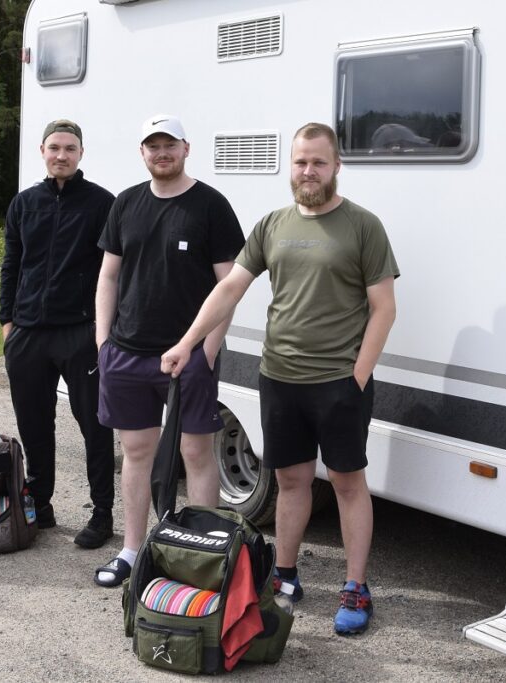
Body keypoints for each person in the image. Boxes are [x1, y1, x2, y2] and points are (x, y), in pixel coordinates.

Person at [161, 123, 399, 634]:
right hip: (281, 379)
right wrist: (187, 342)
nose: (308, 172)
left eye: (317, 162)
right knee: (291, 481)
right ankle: (286, 576)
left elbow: (384, 309)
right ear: (289, 167)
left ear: (336, 166)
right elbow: (229, 291)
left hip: (340, 383)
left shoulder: (363, 226)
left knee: (346, 483)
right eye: (299, 162)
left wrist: (357, 377)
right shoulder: (272, 225)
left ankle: (356, 587)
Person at [93, 114, 245, 587]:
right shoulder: (126, 204)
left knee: (196, 454)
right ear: (142, 152)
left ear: (186, 148)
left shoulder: (210, 205)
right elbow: (109, 277)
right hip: (127, 352)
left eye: (170, 145)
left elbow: (230, 285)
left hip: (189, 355)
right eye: (152, 146)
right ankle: (132, 550)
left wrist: (209, 349)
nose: (162, 153)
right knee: (137, 453)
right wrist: (102, 342)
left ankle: (197, 556)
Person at [0, 119, 117, 549]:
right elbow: (11, 263)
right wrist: (7, 322)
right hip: (28, 332)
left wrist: (101, 330)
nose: (61, 155)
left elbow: (113, 271)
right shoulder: (24, 203)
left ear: (81, 153)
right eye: (54, 148)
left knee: (95, 424)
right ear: (42, 151)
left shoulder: (103, 204)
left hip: (79, 333)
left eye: (70, 148)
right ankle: (40, 502)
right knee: (34, 422)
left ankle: (101, 511)